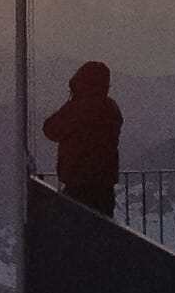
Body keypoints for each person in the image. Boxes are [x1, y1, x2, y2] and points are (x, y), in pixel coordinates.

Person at [41, 60, 122, 215]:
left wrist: (73, 102)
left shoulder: (79, 108)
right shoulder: (111, 108)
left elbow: (50, 129)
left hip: (78, 185)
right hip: (104, 186)